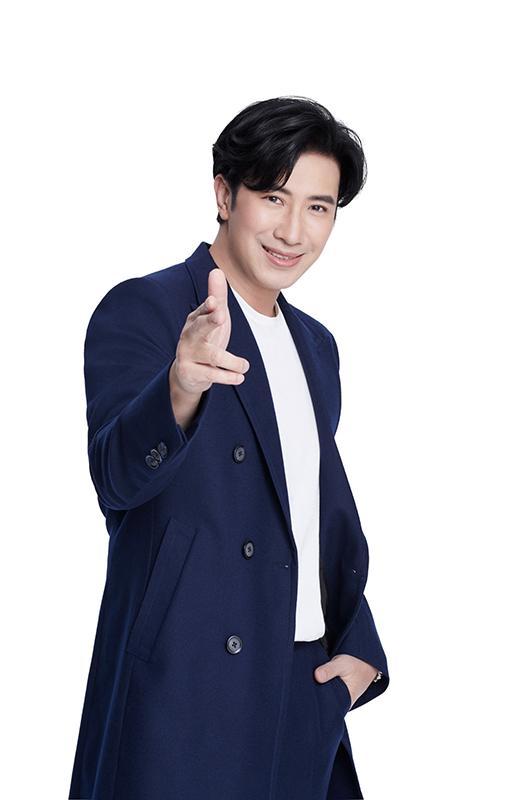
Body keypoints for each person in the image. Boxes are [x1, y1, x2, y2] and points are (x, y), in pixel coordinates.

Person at [68, 95, 389, 800]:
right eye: (273, 197)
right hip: (185, 694)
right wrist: (179, 387)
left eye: (318, 207)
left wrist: (359, 652)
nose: (293, 231)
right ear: (224, 194)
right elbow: (117, 480)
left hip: (303, 689)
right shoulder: (147, 308)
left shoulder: (316, 347)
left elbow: (312, 512)